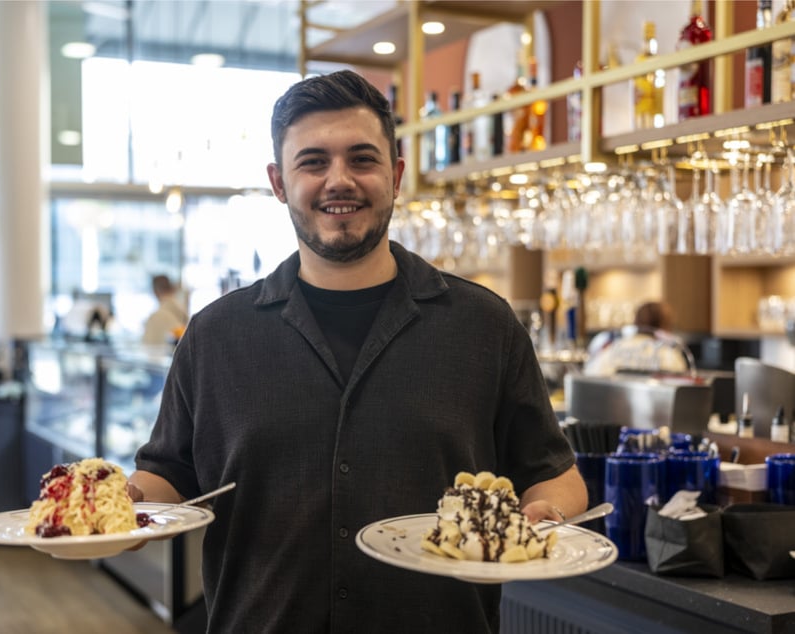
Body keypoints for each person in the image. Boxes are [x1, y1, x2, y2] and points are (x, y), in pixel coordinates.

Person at [128, 70, 586, 633]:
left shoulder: (483, 325)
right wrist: (116, 508)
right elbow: (166, 473)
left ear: (395, 176)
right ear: (278, 182)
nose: (338, 180)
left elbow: (556, 475)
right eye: (313, 161)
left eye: (362, 159)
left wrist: (549, 514)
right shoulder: (214, 335)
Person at [584, 301, 690, 376]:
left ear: (635, 321)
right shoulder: (669, 356)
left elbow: (589, 374)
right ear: (665, 327)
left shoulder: (613, 349)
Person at [141, 274, 188, 346]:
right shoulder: (182, 310)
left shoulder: (156, 317)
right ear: (172, 289)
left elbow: (146, 347)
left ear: (155, 292)